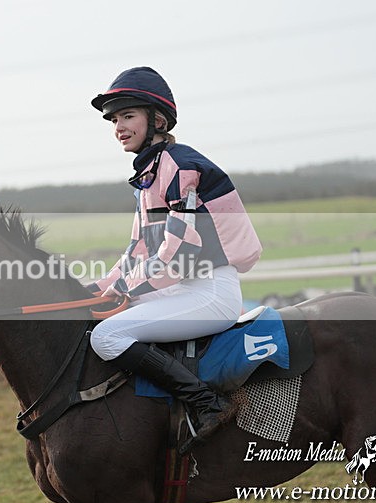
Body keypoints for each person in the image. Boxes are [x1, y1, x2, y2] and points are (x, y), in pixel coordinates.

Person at [86, 66, 263, 449]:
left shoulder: (180, 167)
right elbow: (137, 251)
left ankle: (208, 403)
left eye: (127, 116)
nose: (119, 127)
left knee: (107, 336)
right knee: (95, 317)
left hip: (209, 293)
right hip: (179, 289)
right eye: (114, 120)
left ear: (158, 120)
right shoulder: (149, 176)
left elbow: (176, 255)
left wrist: (122, 288)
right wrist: (92, 289)